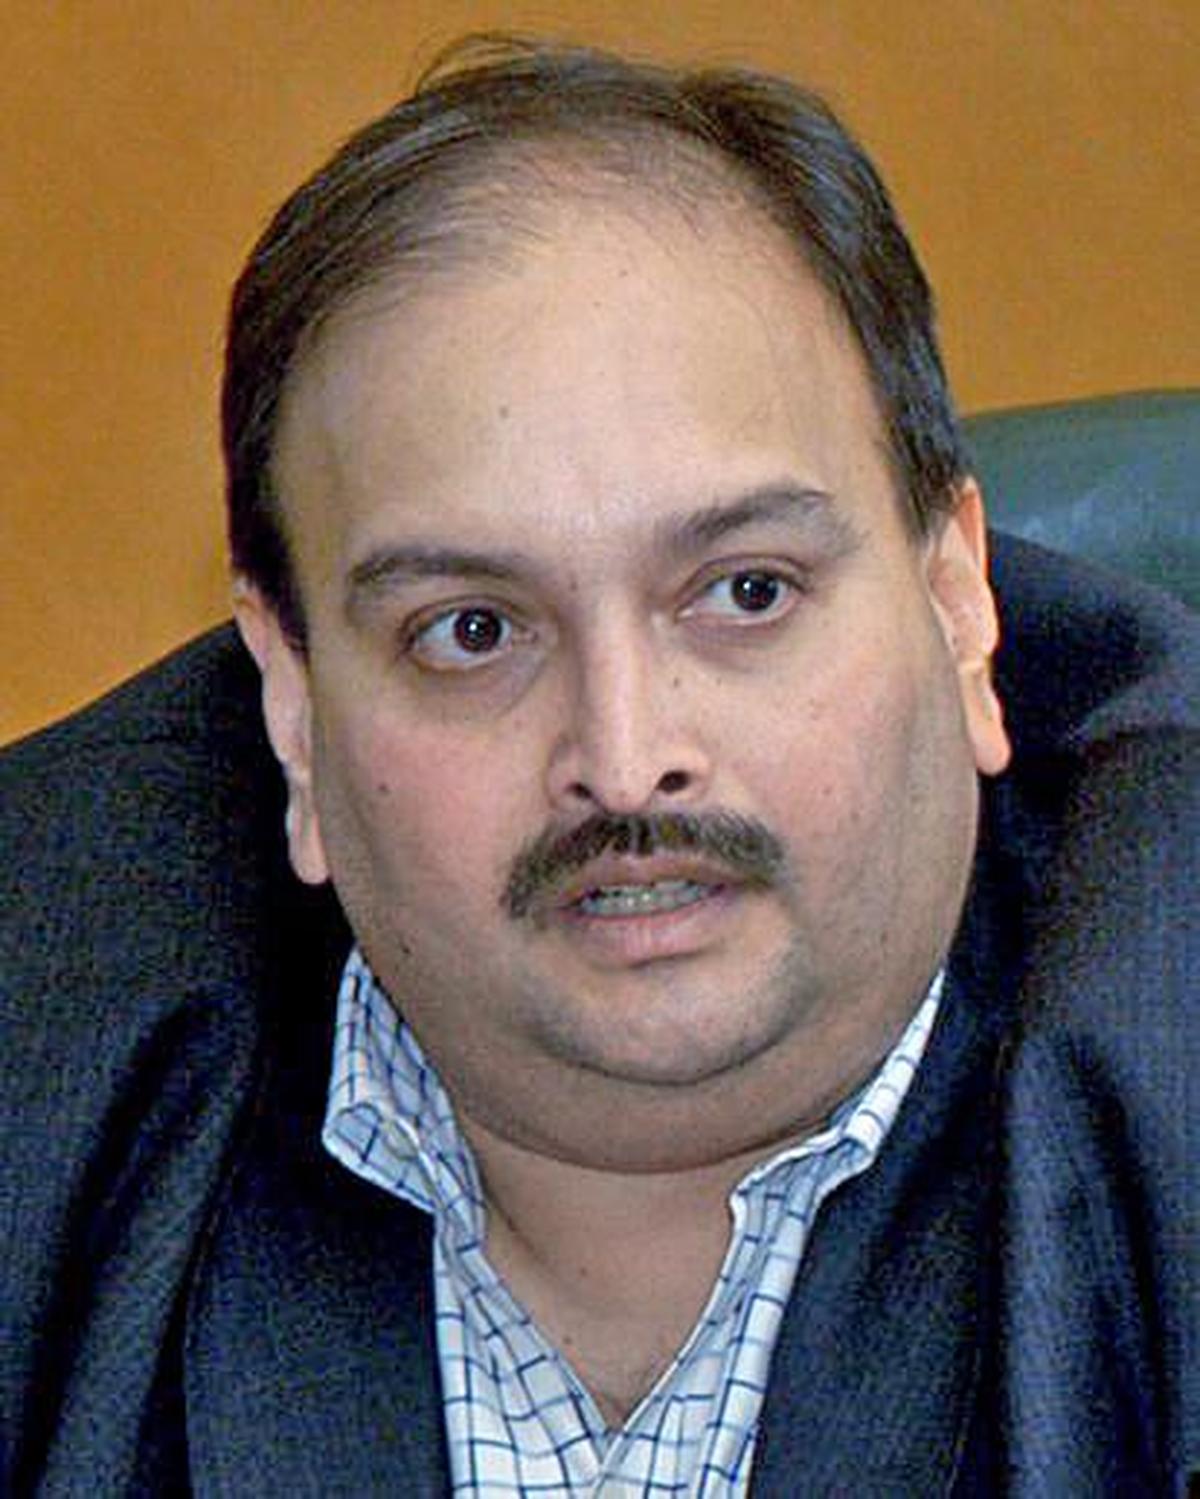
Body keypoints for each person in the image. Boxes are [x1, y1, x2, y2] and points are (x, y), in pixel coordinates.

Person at [1, 37, 1196, 1497]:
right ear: (295, 712)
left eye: (745, 592)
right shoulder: (38, 1072)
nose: (627, 764)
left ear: (958, 609)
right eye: (475, 631)